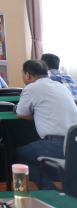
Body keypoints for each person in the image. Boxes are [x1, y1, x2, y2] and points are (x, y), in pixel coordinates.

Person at [14, 59, 77, 190]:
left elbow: (20, 113)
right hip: (74, 143)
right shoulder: (60, 86)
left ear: (27, 75)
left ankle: (49, 190)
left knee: (19, 153)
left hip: (55, 145)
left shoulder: (31, 88)